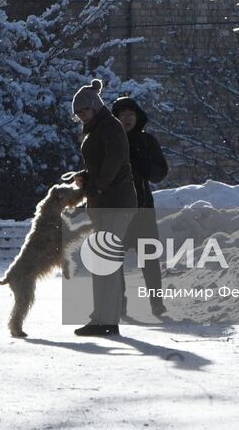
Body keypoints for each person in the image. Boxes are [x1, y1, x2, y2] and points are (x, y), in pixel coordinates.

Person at [69, 77, 134, 337]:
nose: (82, 115)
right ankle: (104, 317)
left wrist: (96, 185)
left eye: (85, 110)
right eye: (78, 113)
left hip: (114, 202)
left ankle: (105, 319)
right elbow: (104, 163)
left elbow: (114, 161)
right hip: (107, 200)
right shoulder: (99, 127)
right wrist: (88, 176)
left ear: (95, 106)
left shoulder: (108, 127)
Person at [111, 95, 168, 317]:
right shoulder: (109, 141)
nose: (127, 119)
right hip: (117, 212)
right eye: (123, 115)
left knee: (150, 261)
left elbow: (159, 174)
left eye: (131, 115)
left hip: (143, 210)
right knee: (114, 260)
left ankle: (157, 304)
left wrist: (143, 160)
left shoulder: (147, 141)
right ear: (115, 118)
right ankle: (120, 305)